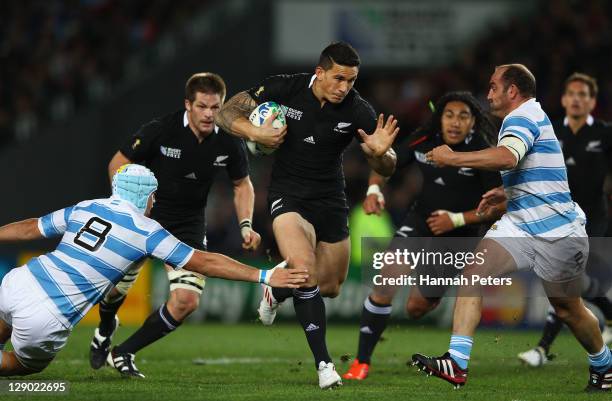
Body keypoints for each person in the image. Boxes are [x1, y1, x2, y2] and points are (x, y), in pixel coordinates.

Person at [411, 64, 611, 392]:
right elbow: (531, 169)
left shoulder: (523, 117)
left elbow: (507, 158)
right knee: (472, 275)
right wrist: (505, 195)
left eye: (493, 87)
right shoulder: (525, 118)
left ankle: (604, 365)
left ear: (512, 91)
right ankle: (457, 362)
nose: (488, 93)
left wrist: (452, 158)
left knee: (568, 308)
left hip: (557, 232)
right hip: (519, 223)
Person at [0, 164, 307, 376]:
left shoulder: (87, 206)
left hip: (20, 281)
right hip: (48, 315)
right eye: (153, 195)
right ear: (144, 195)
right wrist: (264, 275)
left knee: (5, 321)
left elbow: (31, 228)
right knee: (24, 367)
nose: (155, 201)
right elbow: (205, 261)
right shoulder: (147, 231)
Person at [215, 42, 398, 389]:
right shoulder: (285, 88)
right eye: (339, 78)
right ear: (320, 73)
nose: (344, 87)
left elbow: (385, 163)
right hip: (288, 196)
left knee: (330, 286)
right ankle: (324, 365)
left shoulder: (358, 110)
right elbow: (227, 112)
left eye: (352, 80)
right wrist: (254, 132)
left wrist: (381, 155)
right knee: (303, 270)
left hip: (331, 200)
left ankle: (276, 291)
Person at [89, 72, 261, 377]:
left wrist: (246, 224)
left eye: (216, 107)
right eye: (203, 107)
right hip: (145, 219)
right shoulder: (161, 129)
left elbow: (242, 184)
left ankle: (124, 352)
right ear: (188, 105)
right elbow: (118, 161)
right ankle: (105, 328)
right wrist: (125, 206)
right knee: (113, 292)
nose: (210, 114)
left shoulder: (228, 140)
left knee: (186, 301)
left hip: (187, 225)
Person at [343, 92, 503, 380]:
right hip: (420, 221)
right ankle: (361, 362)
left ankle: (432, 292)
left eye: (463, 116)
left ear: (473, 123)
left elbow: (497, 208)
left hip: (459, 235)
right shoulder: (423, 139)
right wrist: (374, 189)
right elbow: (387, 163)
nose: (455, 122)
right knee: (385, 283)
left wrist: (454, 219)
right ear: (439, 118)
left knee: (416, 308)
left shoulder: (481, 151)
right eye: (449, 115)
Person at [518, 73, 612, 367]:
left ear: (592, 102)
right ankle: (609, 316)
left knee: (565, 281)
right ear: (563, 99)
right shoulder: (549, 133)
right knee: (578, 285)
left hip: (594, 220)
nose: (576, 98)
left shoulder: (605, 134)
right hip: (556, 218)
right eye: (571, 93)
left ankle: (542, 349)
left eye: (583, 94)